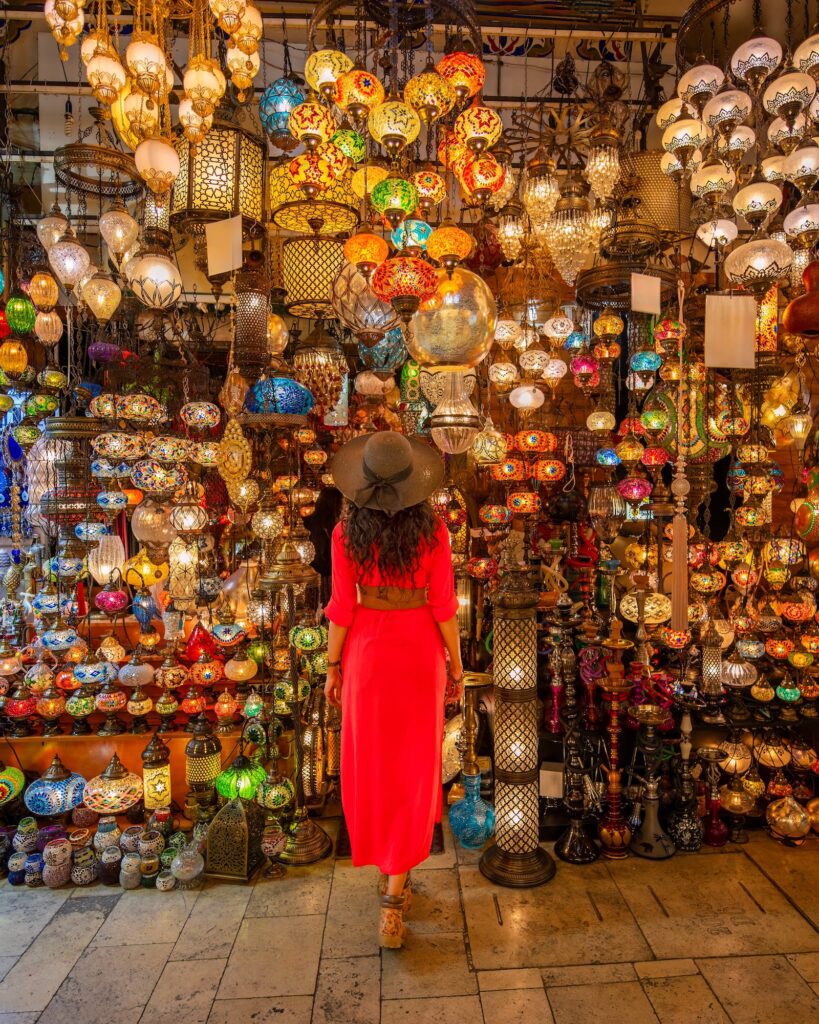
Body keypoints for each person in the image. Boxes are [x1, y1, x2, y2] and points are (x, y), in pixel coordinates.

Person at [324, 431, 463, 949]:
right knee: (413, 763)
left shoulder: (345, 535)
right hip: (417, 652)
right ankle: (394, 889)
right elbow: (444, 605)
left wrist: (332, 666)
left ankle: (390, 875)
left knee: (375, 762)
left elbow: (341, 608)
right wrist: (456, 663)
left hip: (366, 652)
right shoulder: (435, 534)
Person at [303, 486, 343, 605]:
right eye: (341, 503)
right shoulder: (332, 526)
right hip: (326, 575)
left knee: (313, 608)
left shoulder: (308, 521)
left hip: (311, 574)